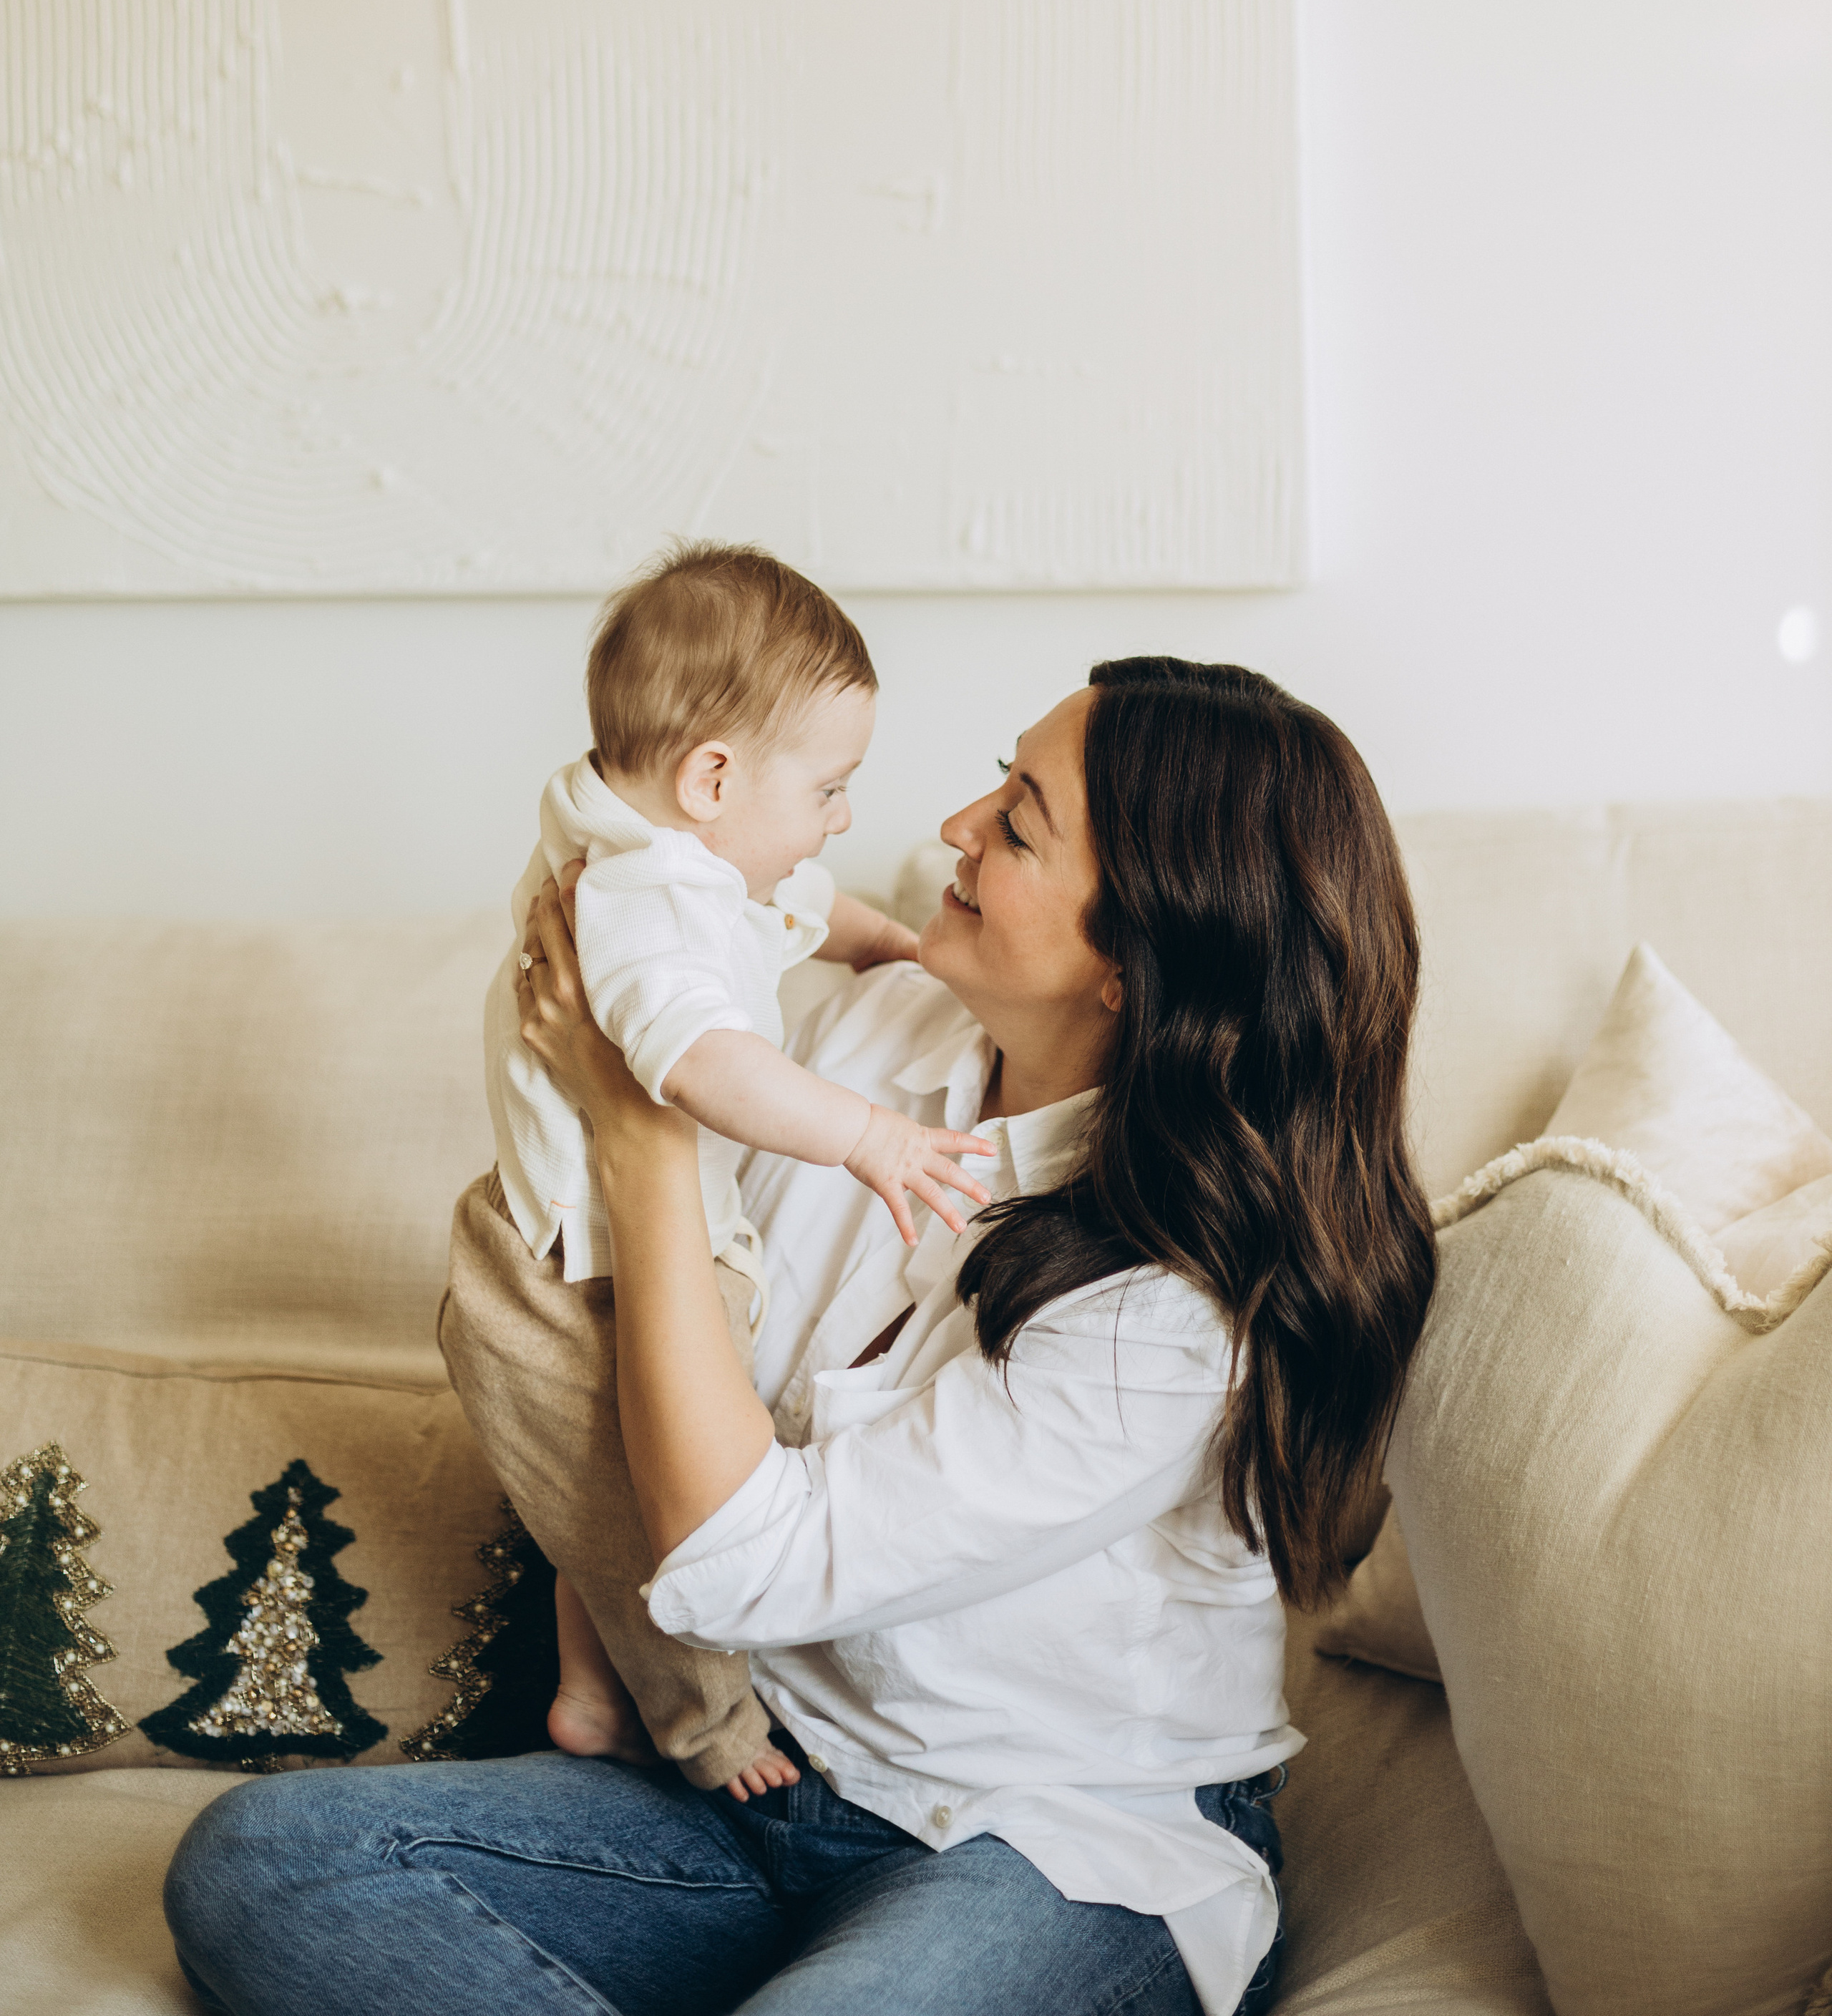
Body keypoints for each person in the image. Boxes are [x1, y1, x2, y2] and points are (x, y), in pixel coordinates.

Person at [165, 658, 1438, 2016]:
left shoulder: (1172, 1318)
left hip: (1049, 1843)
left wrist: (640, 1135)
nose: (957, 822)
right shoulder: (880, 1030)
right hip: (762, 1786)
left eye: (1016, 823)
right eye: (1000, 780)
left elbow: (735, 1564)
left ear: (1134, 965)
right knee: (266, 1867)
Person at [446, 540, 993, 1800]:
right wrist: (868, 1136)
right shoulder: (648, 905)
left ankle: (586, 1694)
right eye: (831, 787)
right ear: (713, 778)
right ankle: (710, 1731)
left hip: (571, 1236)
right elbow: (697, 1066)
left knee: (593, 1489)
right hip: (578, 1268)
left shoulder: (667, 842)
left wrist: (887, 943)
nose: (845, 818)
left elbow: (801, 902)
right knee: (632, 1504)